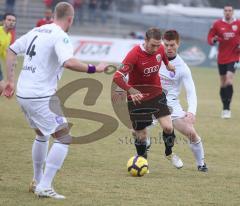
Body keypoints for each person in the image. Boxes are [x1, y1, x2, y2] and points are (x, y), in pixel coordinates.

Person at [4, 2, 106, 199]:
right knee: (64, 137)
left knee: (42, 134)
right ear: (70, 18)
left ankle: (37, 180)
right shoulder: (61, 35)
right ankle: (45, 185)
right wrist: (95, 69)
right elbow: (69, 62)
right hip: (41, 95)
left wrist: (9, 80)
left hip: (24, 94)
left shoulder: (37, 30)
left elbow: (11, 50)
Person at [112, 27, 180, 169]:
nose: (156, 48)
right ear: (145, 41)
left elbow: (164, 57)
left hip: (156, 94)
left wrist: (168, 65)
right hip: (137, 99)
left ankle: (169, 153)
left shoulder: (160, 49)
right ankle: (143, 162)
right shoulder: (134, 55)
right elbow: (117, 77)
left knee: (168, 127)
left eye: (158, 45)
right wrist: (130, 90)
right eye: (152, 45)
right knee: (141, 135)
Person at [158, 30, 208, 172]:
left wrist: (191, 111)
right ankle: (142, 158)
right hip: (150, 101)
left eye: (172, 45)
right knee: (140, 132)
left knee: (191, 133)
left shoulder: (183, 67)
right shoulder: (155, 57)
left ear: (178, 44)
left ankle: (201, 164)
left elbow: (191, 91)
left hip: (170, 105)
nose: (169, 48)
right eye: (166, 44)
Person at [207, 4, 240, 119]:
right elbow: (210, 38)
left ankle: (227, 109)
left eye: (230, 10)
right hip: (222, 57)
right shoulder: (217, 24)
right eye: (226, 10)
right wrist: (214, 39)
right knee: (222, 83)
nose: (227, 12)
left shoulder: (238, 23)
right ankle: (224, 107)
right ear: (223, 12)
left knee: (229, 80)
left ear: (233, 12)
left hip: (235, 57)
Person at [0, 12, 16, 95]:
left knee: (2, 89)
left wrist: (11, 61)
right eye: (9, 20)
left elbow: (4, 53)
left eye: (13, 20)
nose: (11, 22)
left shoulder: (9, 35)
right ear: (3, 21)